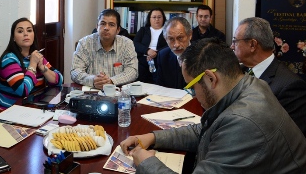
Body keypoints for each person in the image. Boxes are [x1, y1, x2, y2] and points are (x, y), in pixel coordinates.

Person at [120, 38, 306, 173]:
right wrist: (152, 137)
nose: (193, 94)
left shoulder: (242, 122)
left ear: (210, 78)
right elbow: (206, 129)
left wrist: (147, 163)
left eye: (191, 87)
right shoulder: (250, 85)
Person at [231, 17, 306, 136]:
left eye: (235, 41)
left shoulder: (290, 86)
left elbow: (288, 138)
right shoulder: (239, 71)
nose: (232, 46)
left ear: (252, 45)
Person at [0, 18, 63, 111]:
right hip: (8, 111)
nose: (26, 34)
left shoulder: (35, 55)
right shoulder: (9, 59)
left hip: (31, 108)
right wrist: (33, 65)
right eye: (20, 31)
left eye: (29, 30)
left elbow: (59, 80)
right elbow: (23, 91)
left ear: (34, 35)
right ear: (13, 37)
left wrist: (42, 68)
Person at [71, 9, 138, 89]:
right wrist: (93, 80)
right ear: (97, 27)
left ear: (118, 30)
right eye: (103, 24)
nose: (106, 28)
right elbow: (75, 71)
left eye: (111, 25)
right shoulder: (84, 43)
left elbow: (133, 71)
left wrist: (111, 81)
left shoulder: (127, 44)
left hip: (118, 93)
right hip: (91, 93)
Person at [155, 17, 192, 89]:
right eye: (171, 39)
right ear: (165, 39)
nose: (176, 45)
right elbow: (160, 87)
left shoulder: (201, 55)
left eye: (180, 38)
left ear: (190, 35)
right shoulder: (163, 56)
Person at [133, 8, 168, 83]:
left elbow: (169, 46)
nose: (157, 19)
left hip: (160, 59)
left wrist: (156, 53)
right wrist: (147, 51)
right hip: (143, 58)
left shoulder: (167, 31)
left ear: (163, 18)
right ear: (150, 19)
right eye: (154, 17)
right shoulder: (143, 30)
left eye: (159, 17)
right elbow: (135, 43)